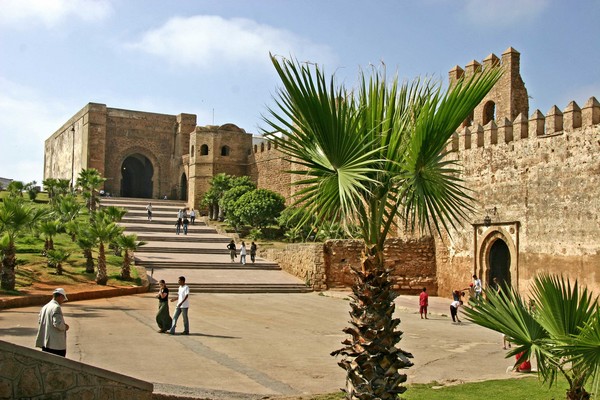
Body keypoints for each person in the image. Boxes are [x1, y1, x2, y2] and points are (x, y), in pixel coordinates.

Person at [35, 288, 69, 357]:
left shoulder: (45, 307)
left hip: (45, 343)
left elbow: (40, 321)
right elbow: (58, 324)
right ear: (60, 296)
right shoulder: (56, 307)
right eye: (63, 299)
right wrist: (65, 327)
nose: (62, 301)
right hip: (56, 345)